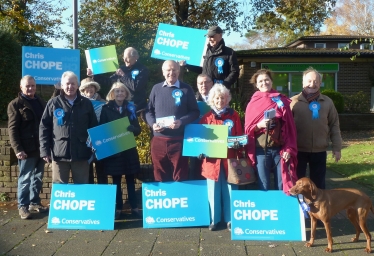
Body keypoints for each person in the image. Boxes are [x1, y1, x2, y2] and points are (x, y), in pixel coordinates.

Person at [244, 69, 298, 193]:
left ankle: (282, 210)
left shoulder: (281, 100)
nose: (264, 83)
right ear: (256, 85)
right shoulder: (252, 104)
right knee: (263, 185)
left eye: (267, 80)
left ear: (271, 81)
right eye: (261, 81)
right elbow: (247, 130)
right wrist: (259, 125)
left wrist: (288, 148)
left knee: (282, 184)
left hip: (279, 150)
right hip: (261, 151)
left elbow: (290, 128)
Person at [39, 71, 98, 184]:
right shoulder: (53, 103)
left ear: (78, 85)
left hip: (82, 154)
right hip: (59, 154)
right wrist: (44, 150)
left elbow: (93, 126)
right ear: (62, 85)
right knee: (60, 189)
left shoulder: (86, 103)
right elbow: (44, 128)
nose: (70, 86)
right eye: (67, 84)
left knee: (82, 188)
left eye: (73, 83)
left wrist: (94, 149)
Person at [145, 60, 199, 182]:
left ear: (179, 71)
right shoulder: (156, 88)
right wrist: (152, 124)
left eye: (174, 69)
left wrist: (181, 121)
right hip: (158, 140)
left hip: (178, 140)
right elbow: (148, 111)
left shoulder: (186, 89)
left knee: (180, 175)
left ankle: (180, 199)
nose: (171, 72)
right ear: (163, 72)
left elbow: (195, 112)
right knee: (159, 175)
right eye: (168, 70)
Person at [198, 83, 242, 231]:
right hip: (211, 161)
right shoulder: (206, 117)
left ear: (227, 98)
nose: (220, 101)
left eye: (223, 98)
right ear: (212, 99)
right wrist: (200, 150)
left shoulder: (234, 115)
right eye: (217, 98)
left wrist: (238, 144)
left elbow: (240, 135)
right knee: (213, 190)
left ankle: (230, 220)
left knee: (231, 189)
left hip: (230, 158)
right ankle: (214, 220)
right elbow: (201, 140)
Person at [290, 67, 342, 189]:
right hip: (298, 151)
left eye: (315, 81)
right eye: (309, 81)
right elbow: (286, 128)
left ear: (320, 83)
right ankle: (299, 207)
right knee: (298, 185)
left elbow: (334, 125)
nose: (312, 84)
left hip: (319, 151)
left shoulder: (328, 102)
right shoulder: (293, 102)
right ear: (303, 83)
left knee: (319, 186)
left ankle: (318, 208)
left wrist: (337, 147)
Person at [7, 75, 48, 219]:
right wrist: (18, 149)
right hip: (26, 149)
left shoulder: (41, 101)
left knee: (38, 178)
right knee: (25, 179)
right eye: (27, 86)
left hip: (40, 148)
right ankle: (23, 206)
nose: (30, 88)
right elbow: (12, 129)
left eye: (33, 86)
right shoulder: (15, 104)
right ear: (21, 88)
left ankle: (34, 202)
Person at [100, 82, 142, 220]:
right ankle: (118, 208)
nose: (119, 94)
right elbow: (102, 129)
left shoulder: (131, 109)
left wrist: (133, 129)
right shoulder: (106, 109)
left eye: (122, 91)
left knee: (130, 180)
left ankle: (134, 208)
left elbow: (138, 130)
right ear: (112, 93)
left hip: (128, 150)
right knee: (116, 181)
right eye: (117, 91)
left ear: (126, 94)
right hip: (114, 151)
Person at [87, 47, 149, 114]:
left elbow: (136, 87)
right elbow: (109, 81)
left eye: (127, 57)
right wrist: (94, 75)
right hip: (122, 106)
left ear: (135, 57)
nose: (125, 60)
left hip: (138, 107)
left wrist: (123, 75)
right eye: (124, 57)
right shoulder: (122, 68)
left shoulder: (143, 70)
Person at [79, 77, 108, 185]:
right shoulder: (78, 103)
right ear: (82, 90)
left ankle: (103, 199)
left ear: (95, 89)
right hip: (84, 140)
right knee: (87, 171)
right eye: (87, 87)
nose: (89, 89)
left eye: (92, 87)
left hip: (101, 139)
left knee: (102, 171)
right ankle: (91, 197)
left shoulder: (104, 103)